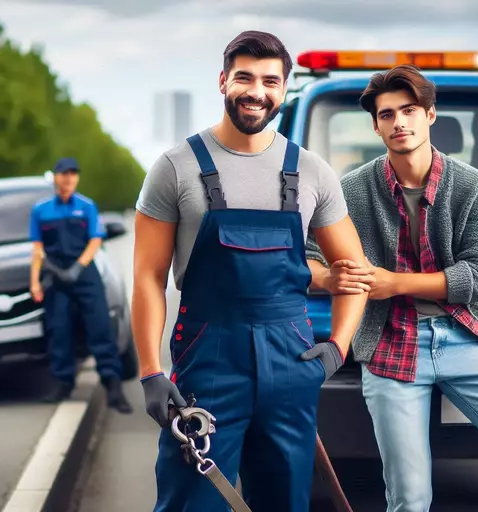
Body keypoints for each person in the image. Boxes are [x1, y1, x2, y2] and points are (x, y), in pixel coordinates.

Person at [132, 30, 369, 512]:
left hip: (293, 362)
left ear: (284, 88)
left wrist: (337, 350)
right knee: (192, 501)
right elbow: (147, 277)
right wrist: (150, 371)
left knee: (285, 499)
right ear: (223, 82)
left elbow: (354, 272)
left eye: (269, 81)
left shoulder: (311, 172)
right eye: (244, 77)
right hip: (209, 358)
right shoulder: (175, 169)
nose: (256, 91)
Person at [305, 65, 478, 512]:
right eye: (387, 115)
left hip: (463, 337)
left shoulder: (476, 187)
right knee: (411, 498)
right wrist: (330, 277)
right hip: (388, 343)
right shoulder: (350, 191)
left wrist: (390, 282)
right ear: (375, 125)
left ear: (430, 115)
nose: (399, 122)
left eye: (409, 110)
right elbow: (307, 257)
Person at [29, 157, 132, 411]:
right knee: (59, 332)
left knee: (100, 329)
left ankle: (113, 387)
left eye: (73, 174)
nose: (68, 178)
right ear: (56, 177)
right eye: (64, 174)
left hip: (85, 275)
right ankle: (62, 384)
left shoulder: (87, 206)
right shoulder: (41, 210)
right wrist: (35, 282)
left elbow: (95, 240)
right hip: (56, 277)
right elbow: (37, 248)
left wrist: (77, 268)